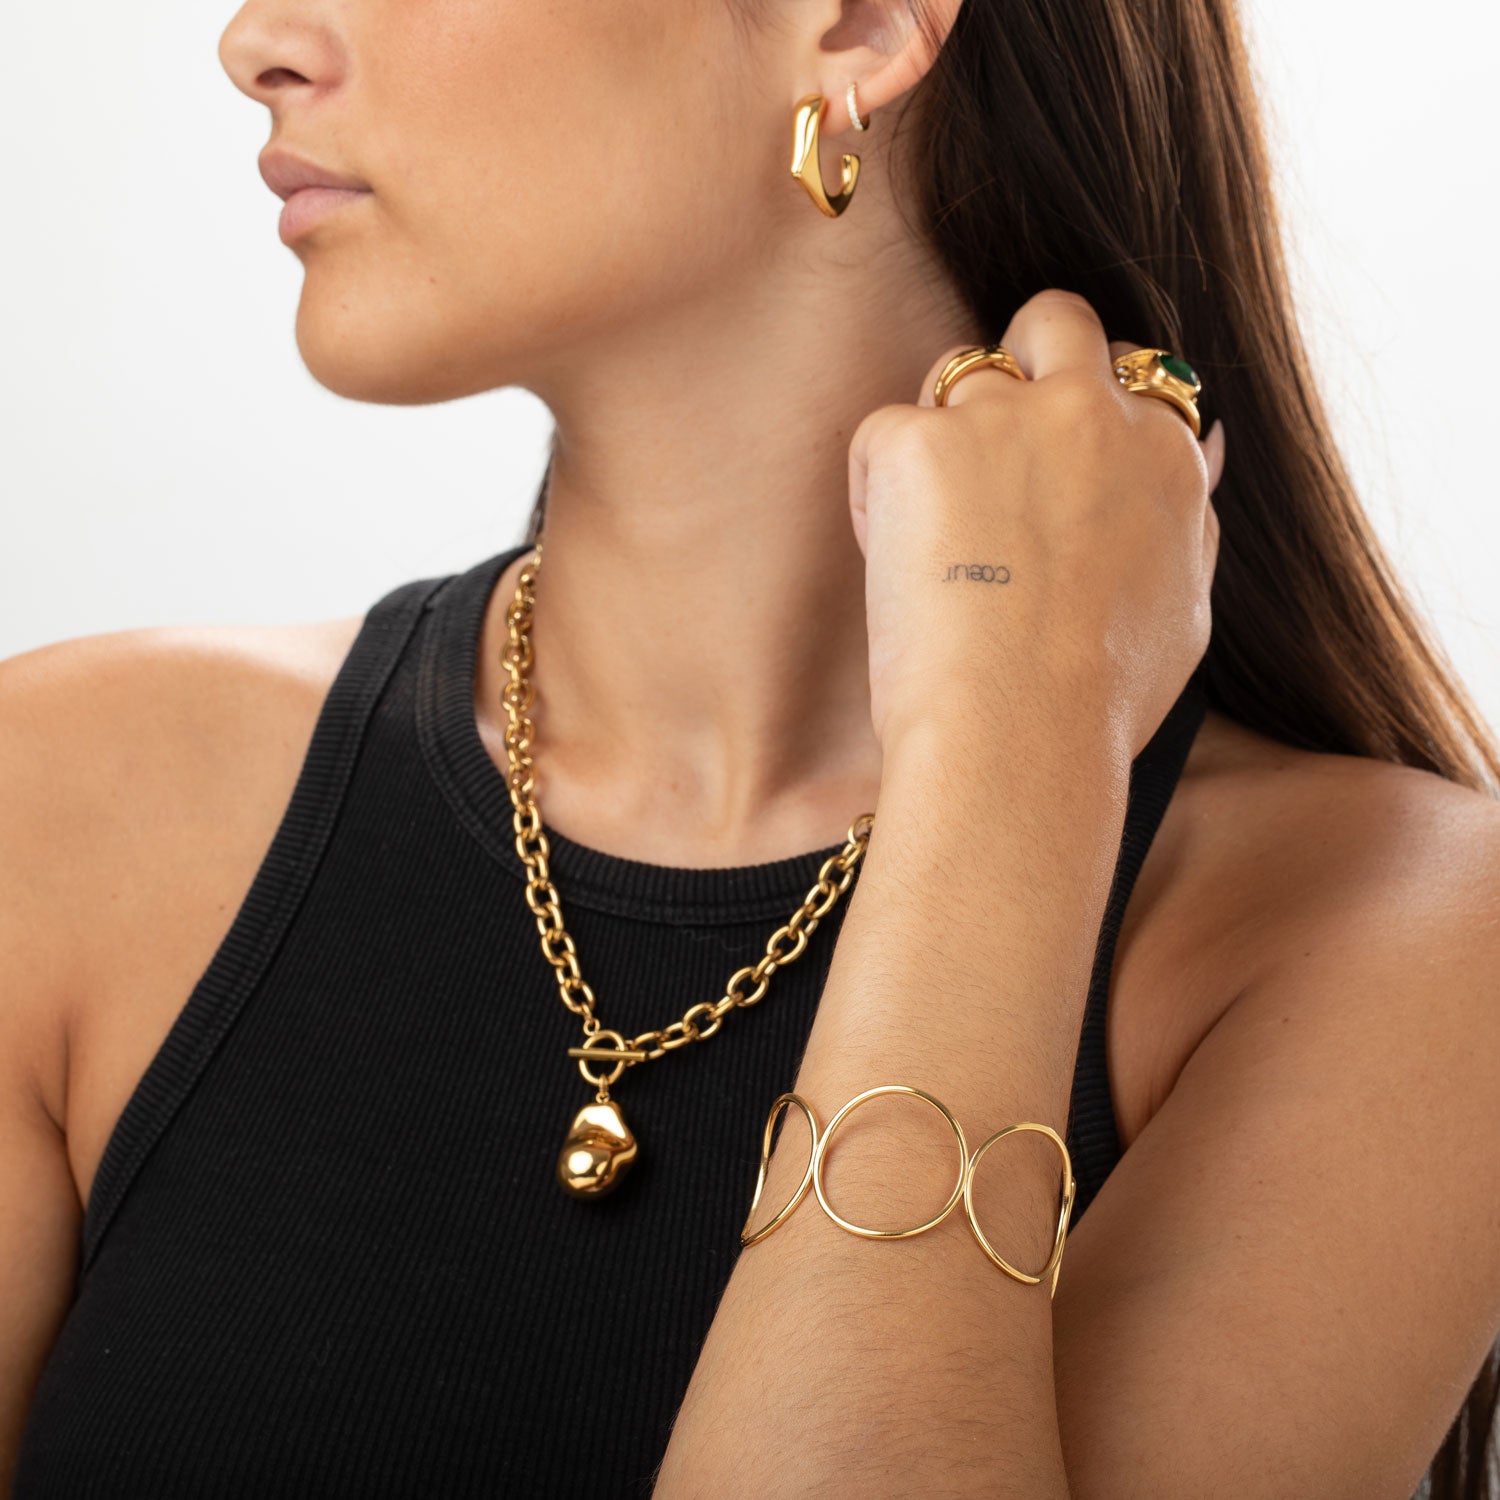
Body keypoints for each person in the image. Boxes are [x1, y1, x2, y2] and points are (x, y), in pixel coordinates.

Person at [3, 0, 1497, 1493]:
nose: (255, 41)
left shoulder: (1388, 939)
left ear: (854, 28)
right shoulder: (61, 808)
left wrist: (1009, 746)